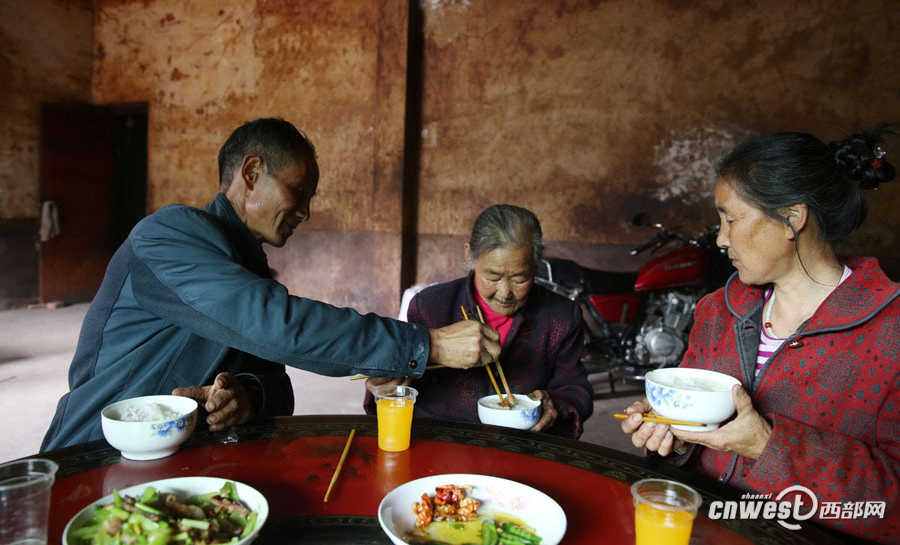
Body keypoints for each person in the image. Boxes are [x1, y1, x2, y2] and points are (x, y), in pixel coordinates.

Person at [41, 118, 500, 451]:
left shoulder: (249, 266)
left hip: (176, 460)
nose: (305, 210)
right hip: (94, 450)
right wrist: (425, 344)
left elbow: (279, 387)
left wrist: (246, 396)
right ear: (252, 173)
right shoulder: (168, 236)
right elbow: (275, 323)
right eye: (298, 191)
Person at [620, 126, 899, 542]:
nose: (720, 238)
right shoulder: (718, 310)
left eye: (730, 219)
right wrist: (675, 439)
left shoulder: (888, 331)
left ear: (791, 218)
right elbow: (694, 448)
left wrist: (764, 443)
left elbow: (891, 508)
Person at [364, 204, 594, 438]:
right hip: (440, 436)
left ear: (537, 264)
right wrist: (389, 381)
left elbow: (576, 388)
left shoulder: (561, 316)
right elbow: (399, 380)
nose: (505, 293)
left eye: (520, 278)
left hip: (520, 441)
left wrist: (557, 403)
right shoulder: (432, 305)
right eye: (492, 277)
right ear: (469, 256)